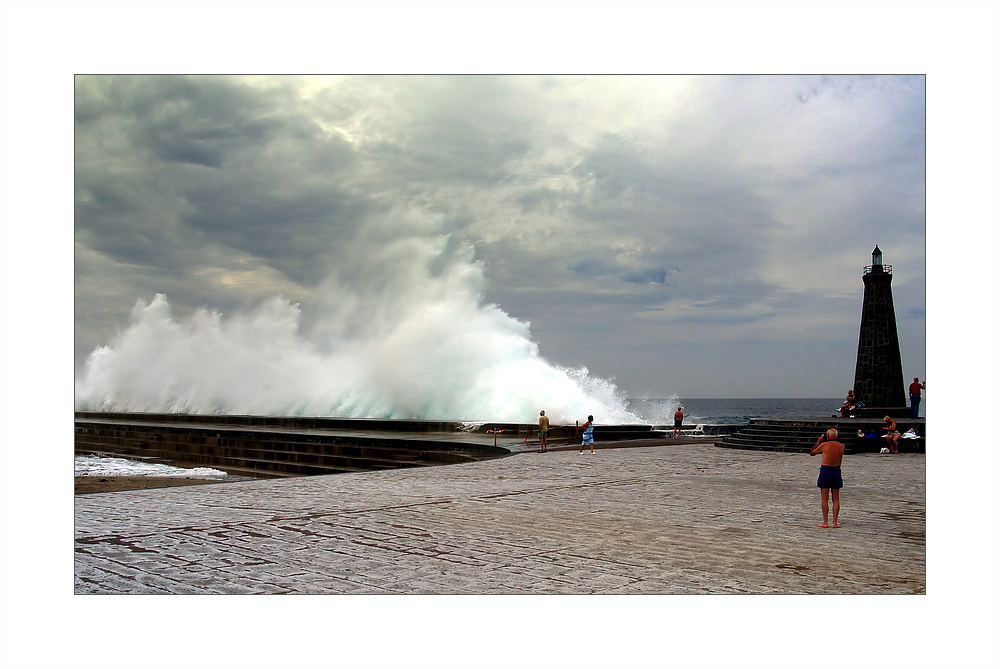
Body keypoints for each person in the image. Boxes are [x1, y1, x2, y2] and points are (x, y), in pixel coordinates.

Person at [809, 428, 845, 528]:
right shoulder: (841, 446)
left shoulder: (824, 445)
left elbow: (812, 453)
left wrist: (818, 442)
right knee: (836, 499)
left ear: (828, 436)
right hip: (836, 470)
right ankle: (835, 522)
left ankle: (825, 522)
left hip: (826, 470)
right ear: (836, 436)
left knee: (824, 499)